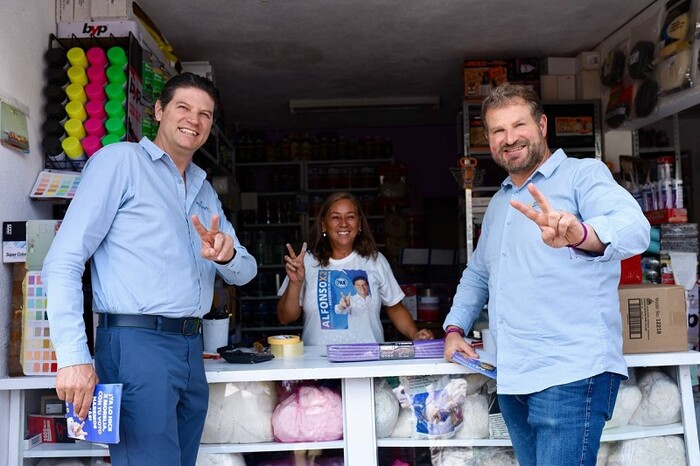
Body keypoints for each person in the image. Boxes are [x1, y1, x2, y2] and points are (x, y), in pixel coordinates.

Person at [43, 72, 257, 465]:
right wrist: (74, 357)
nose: (194, 119)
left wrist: (226, 257)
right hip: (136, 345)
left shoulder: (203, 189)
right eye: (184, 107)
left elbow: (246, 272)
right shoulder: (120, 163)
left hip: (191, 349)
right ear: (158, 111)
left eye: (205, 114)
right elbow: (63, 261)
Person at [442, 83, 650, 466]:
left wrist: (581, 234)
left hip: (570, 373)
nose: (509, 139)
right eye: (497, 131)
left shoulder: (582, 175)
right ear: (488, 140)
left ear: (541, 125)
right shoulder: (500, 202)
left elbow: (633, 228)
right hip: (513, 375)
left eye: (518, 125)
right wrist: (455, 328)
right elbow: (478, 274)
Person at [277, 191, 433, 345]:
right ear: (323, 225)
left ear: (359, 224)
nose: (344, 223)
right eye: (335, 217)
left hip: (368, 363)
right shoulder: (306, 263)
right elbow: (285, 318)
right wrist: (295, 284)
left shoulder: (375, 260)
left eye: (350, 217)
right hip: (318, 364)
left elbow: (396, 309)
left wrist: (415, 334)